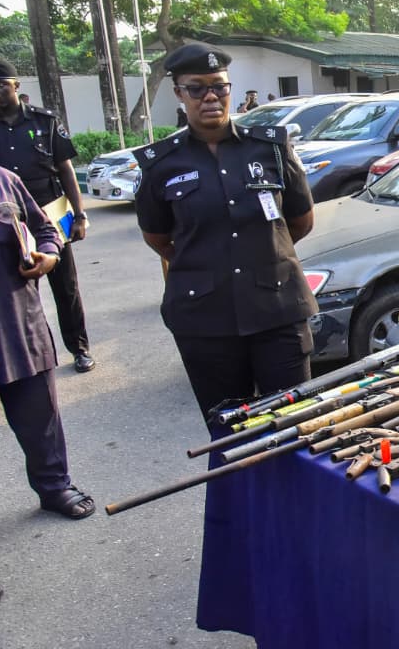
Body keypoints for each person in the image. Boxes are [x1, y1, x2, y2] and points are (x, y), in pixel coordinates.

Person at [132, 42, 317, 634]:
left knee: (295, 432)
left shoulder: (269, 147)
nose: (210, 97)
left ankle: (303, 544)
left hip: (278, 313)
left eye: (219, 86)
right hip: (205, 323)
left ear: (230, 92)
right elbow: (160, 237)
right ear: (178, 97)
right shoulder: (161, 163)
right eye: (196, 89)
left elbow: (300, 219)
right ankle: (247, 552)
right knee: (229, 437)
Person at [0, 166, 95, 520]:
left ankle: (55, 487)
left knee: (40, 417)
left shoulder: (6, 180)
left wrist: (50, 254)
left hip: (18, 326)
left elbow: (44, 228)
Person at [0, 60, 95, 373]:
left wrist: (79, 215)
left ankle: (79, 349)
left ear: (16, 86)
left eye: (2, 84)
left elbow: (66, 169)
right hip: (9, 221)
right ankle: (32, 357)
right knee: (20, 293)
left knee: (66, 289)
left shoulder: (44, 121)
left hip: (50, 217)